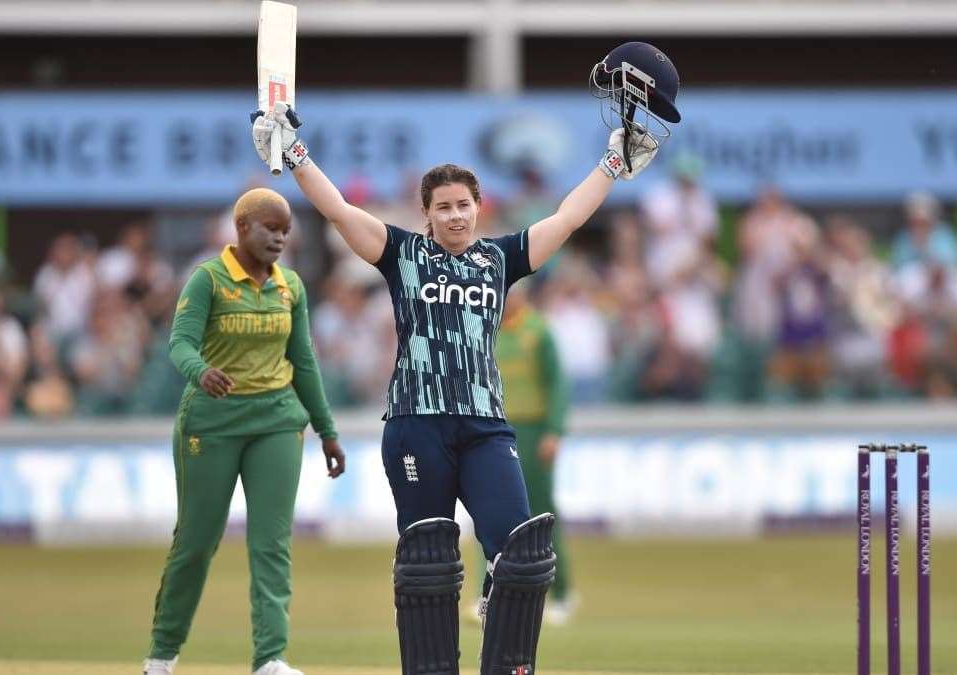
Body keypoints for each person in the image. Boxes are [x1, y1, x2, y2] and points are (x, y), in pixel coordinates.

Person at [251, 40, 673, 675]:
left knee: (523, 554)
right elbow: (338, 211)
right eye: (443, 206)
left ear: (480, 209)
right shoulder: (401, 254)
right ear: (426, 215)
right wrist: (295, 152)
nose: (455, 214)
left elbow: (566, 220)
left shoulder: (498, 259)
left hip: (484, 427)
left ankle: (507, 667)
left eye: (464, 204)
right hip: (417, 424)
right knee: (429, 564)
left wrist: (612, 165)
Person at [143, 188, 346, 675]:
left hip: (277, 420)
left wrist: (327, 429)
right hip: (212, 422)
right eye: (269, 229)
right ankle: (161, 656)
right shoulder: (208, 280)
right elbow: (180, 343)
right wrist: (200, 372)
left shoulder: (290, 287)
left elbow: (303, 361)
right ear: (241, 228)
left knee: (271, 544)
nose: (279, 239)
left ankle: (270, 658)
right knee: (196, 542)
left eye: (285, 231)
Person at [477, 283, 575, 624]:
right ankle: (488, 594)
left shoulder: (538, 331)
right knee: (489, 513)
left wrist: (554, 430)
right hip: (494, 431)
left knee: (540, 514)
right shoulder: (484, 329)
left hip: (533, 432)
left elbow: (558, 383)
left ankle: (561, 593)